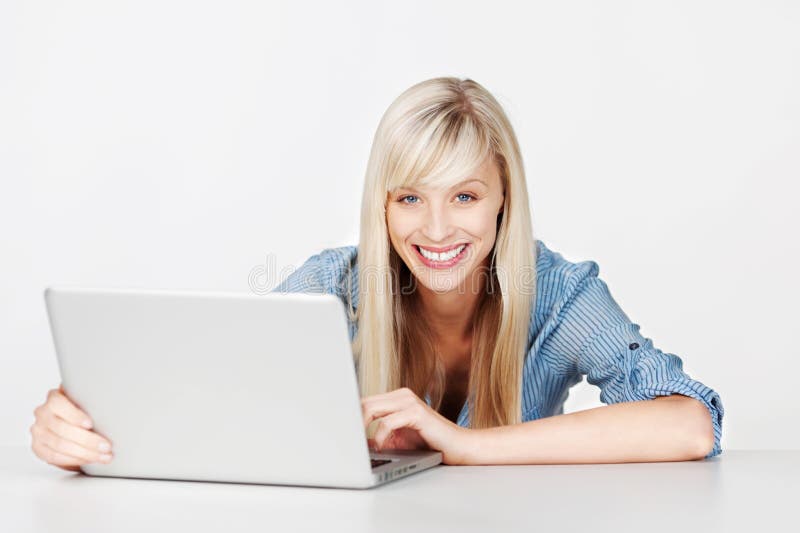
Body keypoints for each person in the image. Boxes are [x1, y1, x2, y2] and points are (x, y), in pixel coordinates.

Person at [30, 77, 724, 471]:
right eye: (410, 198)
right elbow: (211, 388)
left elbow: (691, 425)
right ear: (382, 204)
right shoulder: (331, 287)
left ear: (503, 196)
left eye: (465, 196)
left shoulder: (558, 293)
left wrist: (464, 444)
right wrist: (79, 421)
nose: (438, 229)